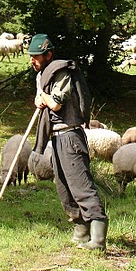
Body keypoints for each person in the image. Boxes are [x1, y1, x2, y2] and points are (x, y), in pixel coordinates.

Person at [28, 33, 108, 251]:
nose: (32, 61)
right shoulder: (42, 75)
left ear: (48, 55)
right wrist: (39, 98)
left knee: (81, 187)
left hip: (70, 136)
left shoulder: (62, 72)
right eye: (31, 57)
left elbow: (55, 104)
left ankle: (98, 240)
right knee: (64, 188)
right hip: (55, 138)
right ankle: (80, 233)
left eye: (36, 56)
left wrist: (43, 98)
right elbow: (42, 99)